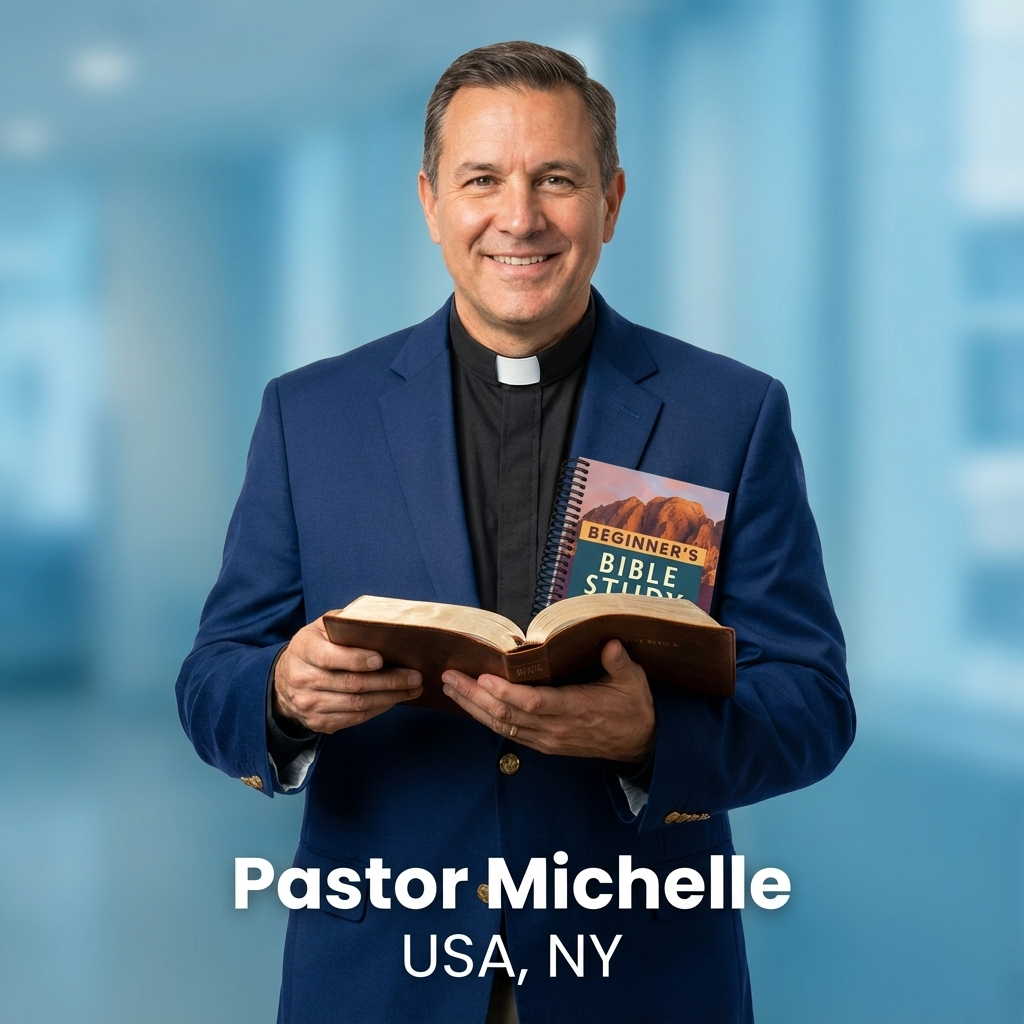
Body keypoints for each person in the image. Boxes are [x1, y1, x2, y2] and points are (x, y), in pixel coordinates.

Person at [176, 41, 854, 1024]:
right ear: (430, 202)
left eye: (557, 180)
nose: (519, 217)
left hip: (641, 978)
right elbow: (210, 677)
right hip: (378, 977)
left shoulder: (728, 415)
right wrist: (280, 693)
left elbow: (813, 699)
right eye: (482, 179)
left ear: (612, 201)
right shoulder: (310, 415)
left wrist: (655, 737)